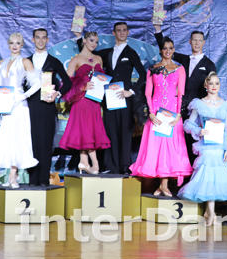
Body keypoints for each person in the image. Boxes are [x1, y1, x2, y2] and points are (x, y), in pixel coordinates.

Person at [129, 37, 193, 195]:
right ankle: (160, 185)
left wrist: (178, 115)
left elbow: (181, 93)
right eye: (165, 48)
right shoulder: (152, 69)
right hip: (156, 113)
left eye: (171, 48)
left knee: (169, 148)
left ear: (174, 50)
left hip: (172, 114)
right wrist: (151, 113)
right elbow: (147, 93)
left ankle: (164, 185)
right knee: (157, 148)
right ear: (160, 50)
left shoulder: (179, 69)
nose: (168, 51)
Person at [178, 72, 227, 226]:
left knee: (215, 180)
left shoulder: (226, 105)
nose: (214, 86)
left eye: (217, 83)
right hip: (206, 146)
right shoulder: (199, 104)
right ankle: (211, 214)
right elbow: (188, 124)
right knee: (207, 178)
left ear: (220, 85)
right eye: (211, 83)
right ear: (206, 85)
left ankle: (210, 213)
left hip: (220, 147)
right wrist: (199, 131)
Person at [154, 22, 217, 164]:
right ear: (190, 42)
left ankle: (194, 170)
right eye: (194, 40)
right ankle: (180, 168)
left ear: (204, 42)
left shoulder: (209, 64)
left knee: (195, 139)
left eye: (199, 40)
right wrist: (158, 29)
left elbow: (212, 87)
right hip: (180, 106)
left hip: (198, 109)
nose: (197, 43)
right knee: (179, 137)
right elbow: (165, 48)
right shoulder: (184, 59)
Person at [0, 33, 40, 188]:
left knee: (18, 138)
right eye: (12, 43)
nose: (15, 46)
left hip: (18, 105)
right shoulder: (2, 62)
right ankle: (11, 175)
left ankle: (12, 176)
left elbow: (38, 83)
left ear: (22, 45)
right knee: (7, 139)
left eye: (18, 43)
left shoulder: (25, 62)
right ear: (8, 44)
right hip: (4, 102)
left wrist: (22, 96)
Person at [96, 22, 147, 174]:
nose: (122, 33)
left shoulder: (131, 52)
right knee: (110, 130)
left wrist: (130, 91)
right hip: (109, 97)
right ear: (114, 33)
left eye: (124, 30)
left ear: (128, 32)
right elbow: (89, 53)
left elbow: (143, 75)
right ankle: (110, 166)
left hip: (124, 99)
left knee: (125, 131)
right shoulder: (107, 52)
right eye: (119, 30)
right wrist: (79, 36)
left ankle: (125, 166)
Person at [60, 31, 112, 174]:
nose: (94, 44)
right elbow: (66, 83)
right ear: (84, 41)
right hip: (81, 101)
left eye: (96, 42)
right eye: (91, 40)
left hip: (95, 102)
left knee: (89, 132)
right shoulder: (76, 60)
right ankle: (95, 163)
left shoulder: (98, 59)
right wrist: (82, 87)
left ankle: (83, 162)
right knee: (86, 131)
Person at [26, 28, 72, 186]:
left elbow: (68, 83)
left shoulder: (53, 61)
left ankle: (44, 180)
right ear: (33, 40)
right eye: (38, 37)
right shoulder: (27, 61)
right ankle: (32, 180)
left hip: (47, 107)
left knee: (46, 143)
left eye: (43, 37)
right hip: (30, 107)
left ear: (47, 40)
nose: (40, 40)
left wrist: (57, 94)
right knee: (32, 143)